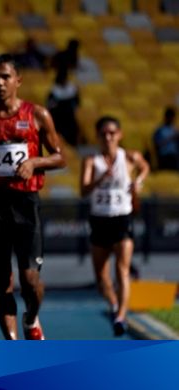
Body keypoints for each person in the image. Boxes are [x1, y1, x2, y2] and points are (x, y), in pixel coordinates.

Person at [0, 54, 66, 340]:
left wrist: (34, 163)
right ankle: (13, 346)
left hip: (26, 203)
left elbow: (60, 157)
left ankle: (31, 319)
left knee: (30, 281)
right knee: (1, 281)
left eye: (5, 77)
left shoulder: (37, 115)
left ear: (18, 80)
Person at [80, 116, 149, 337]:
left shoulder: (128, 157)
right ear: (98, 136)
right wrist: (101, 180)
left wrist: (138, 181)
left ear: (119, 134)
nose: (108, 137)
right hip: (100, 220)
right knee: (101, 277)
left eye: (112, 133)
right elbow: (83, 190)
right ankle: (112, 303)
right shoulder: (91, 161)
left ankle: (121, 315)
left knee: (122, 269)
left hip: (122, 218)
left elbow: (145, 166)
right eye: (103, 133)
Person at [46, 68, 80, 146]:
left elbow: (77, 102)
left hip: (69, 116)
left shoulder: (71, 89)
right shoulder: (54, 91)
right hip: (58, 117)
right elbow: (50, 105)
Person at [152, 106, 178, 171]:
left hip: (175, 157)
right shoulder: (159, 130)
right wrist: (171, 138)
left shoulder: (175, 130)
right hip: (164, 157)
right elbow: (157, 144)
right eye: (170, 117)